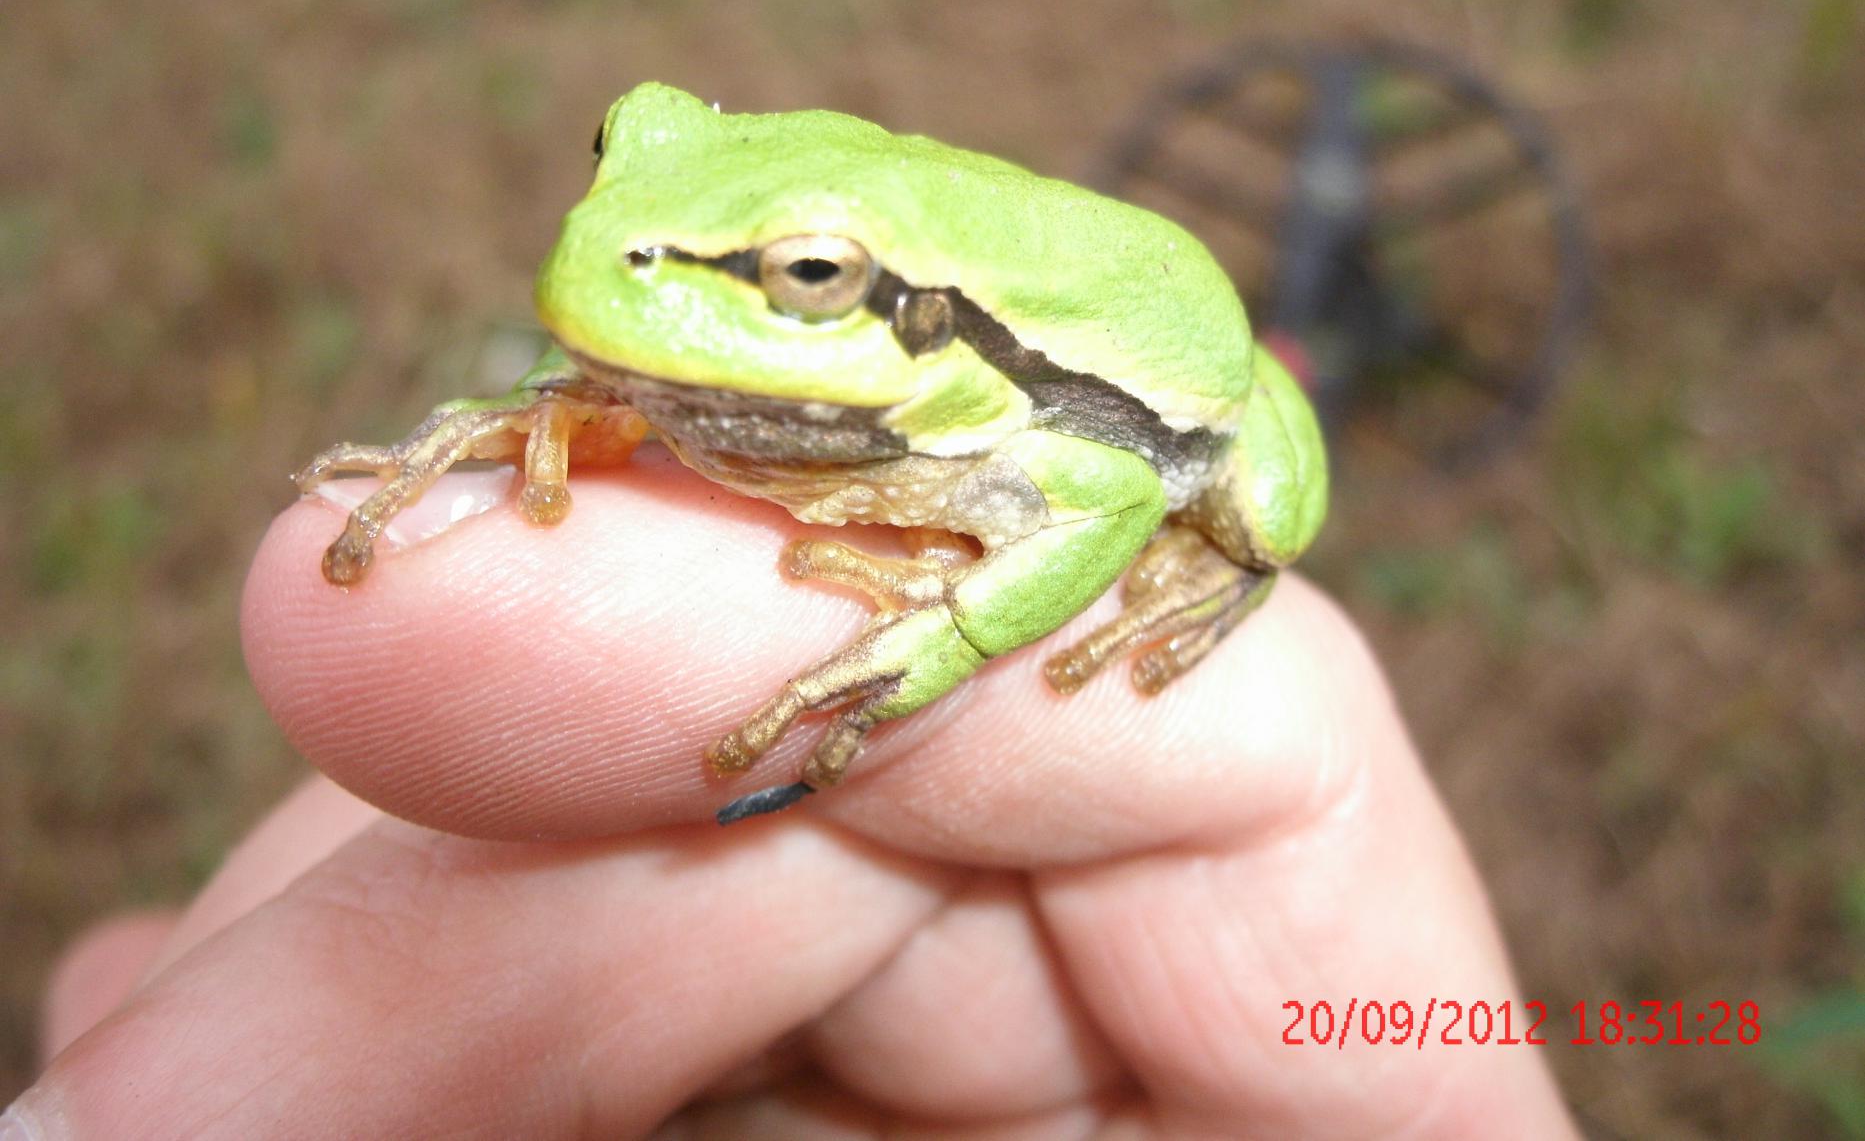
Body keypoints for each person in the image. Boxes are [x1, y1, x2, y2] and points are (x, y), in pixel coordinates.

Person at [12, 457, 1576, 1137]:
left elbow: (1107, 488)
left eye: (812, 278)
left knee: (1252, 503)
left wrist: (947, 636)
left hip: (1138, 414)